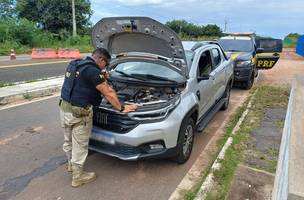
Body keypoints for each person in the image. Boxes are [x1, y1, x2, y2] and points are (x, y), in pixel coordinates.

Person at [59, 48, 137, 187]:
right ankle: (78, 177)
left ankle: (71, 164)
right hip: (80, 113)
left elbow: (82, 80)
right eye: (105, 64)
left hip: (64, 109)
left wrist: (100, 75)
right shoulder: (93, 71)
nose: (105, 67)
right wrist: (122, 108)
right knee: (80, 144)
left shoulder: (75, 63)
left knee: (68, 139)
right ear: (100, 59)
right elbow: (108, 92)